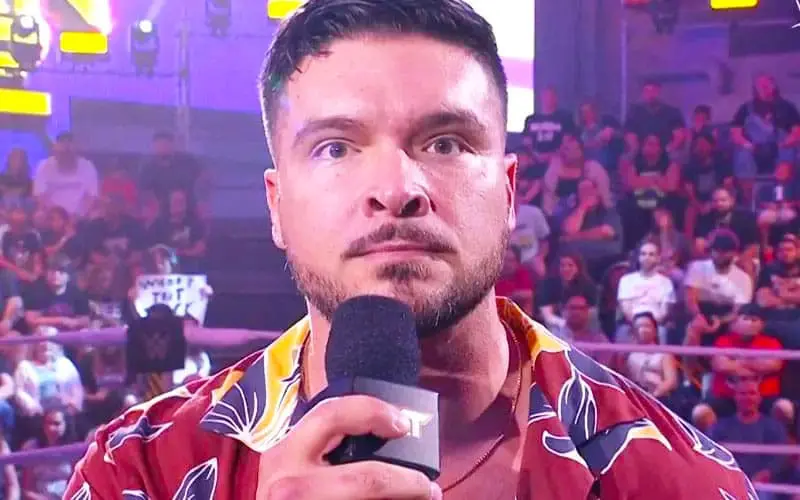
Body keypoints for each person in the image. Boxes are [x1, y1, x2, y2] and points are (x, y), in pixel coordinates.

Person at [67, 1, 754, 498]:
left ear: (509, 191)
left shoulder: (682, 481)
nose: (396, 190)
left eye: (445, 142)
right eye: (336, 148)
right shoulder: (136, 474)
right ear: (276, 206)